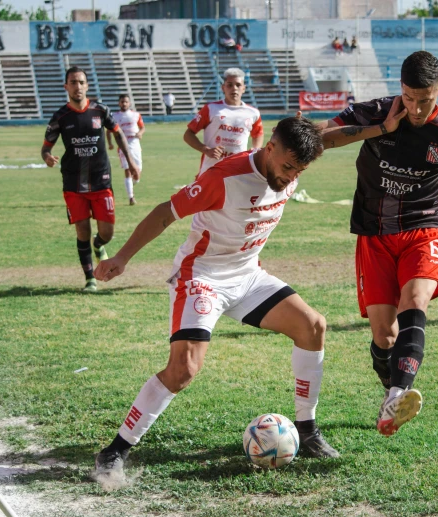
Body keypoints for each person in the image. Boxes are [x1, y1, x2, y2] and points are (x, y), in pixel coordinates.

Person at [92, 117, 341, 481]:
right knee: (183, 370)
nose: (290, 177)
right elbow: (165, 213)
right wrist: (121, 258)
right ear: (269, 147)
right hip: (202, 276)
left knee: (312, 326)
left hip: (248, 275)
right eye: (287, 167)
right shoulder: (224, 178)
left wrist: (387, 124)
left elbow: (340, 134)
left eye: (299, 170)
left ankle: (307, 430)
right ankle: (115, 450)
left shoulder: (291, 165)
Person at [316, 51, 438, 437]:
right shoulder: (375, 112)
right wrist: (381, 130)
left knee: (414, 304)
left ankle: (399, 390)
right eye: (411, 98)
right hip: (374, 233)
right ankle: (391, 393)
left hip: (423, 229)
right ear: (401, 88)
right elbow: (321, 138)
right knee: (384, 336)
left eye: (426, 99)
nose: (417, 109)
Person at [41, 67, 139, 293]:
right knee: (82, 231)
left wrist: (131, 162)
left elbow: (117, 133)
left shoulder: (100, 110)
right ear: (66, 86)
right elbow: (46, 147)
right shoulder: (60, 117)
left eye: (81, 82)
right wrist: (47, 157)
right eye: (73, 82)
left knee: (107, 233)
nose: (78, 86)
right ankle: (90, 279)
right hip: (73, 183)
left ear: (87, 85)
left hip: (101, 181)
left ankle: (98, 246)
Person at [184, 68, 263, 179]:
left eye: (238, 85)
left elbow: (258, 134)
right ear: (223, 88)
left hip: (238, 171)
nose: (234, 88)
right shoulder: (211, 109)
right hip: (210, 170)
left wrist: (254, 151)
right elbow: (188, 134)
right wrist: (206, 150)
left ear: (244, 88)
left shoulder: (253, 113)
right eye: (229, 85)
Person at [107, 94, 144, 206]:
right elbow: (108, 131)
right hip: (123, 145)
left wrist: (140, 133)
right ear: (119, 103)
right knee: (127, 170)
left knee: (137, 173)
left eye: (126, 102)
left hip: (135, 144)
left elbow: (142, 127)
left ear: (129, 103)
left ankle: (133, 183)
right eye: (122, 102)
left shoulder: (136, 115)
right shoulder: (114, 116)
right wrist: (110, 143)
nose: (124, 104)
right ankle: (131, 197)